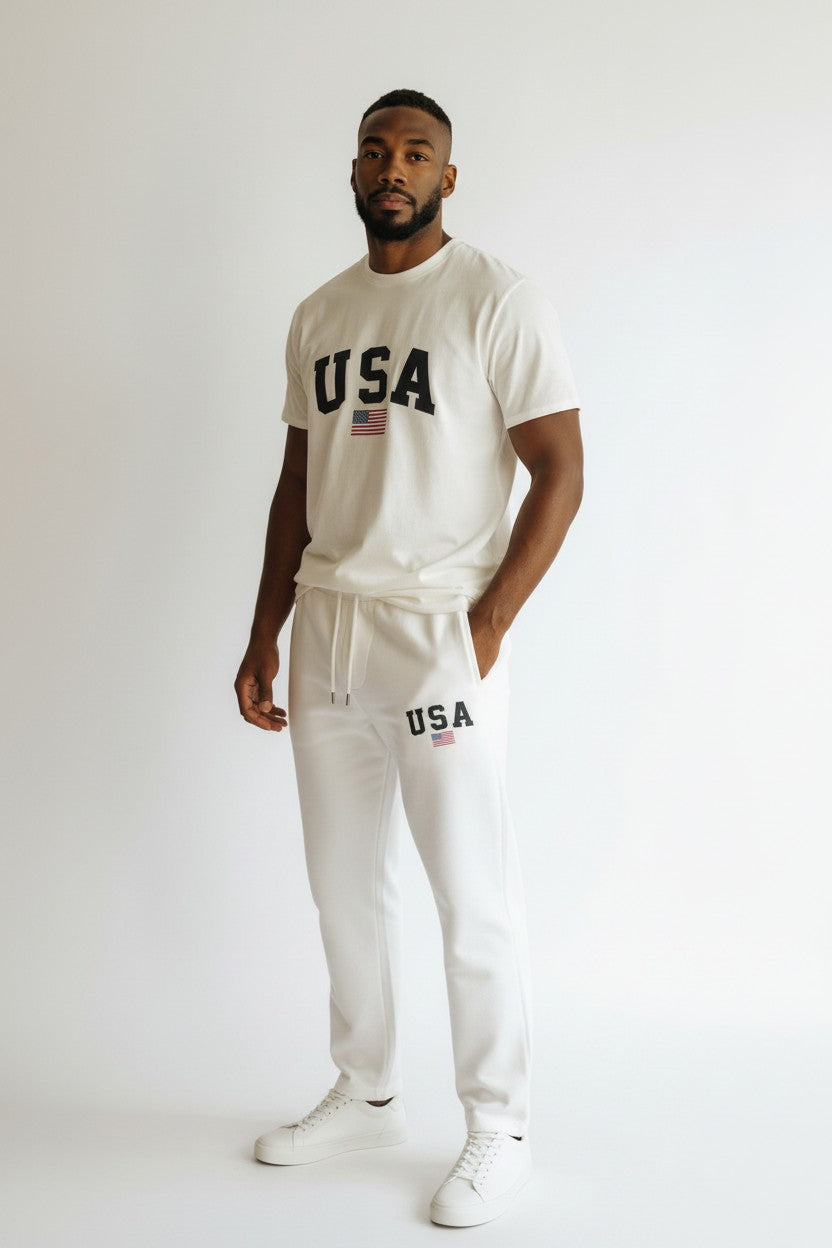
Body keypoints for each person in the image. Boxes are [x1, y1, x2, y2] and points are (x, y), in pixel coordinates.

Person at [234, 87, 583, 1228]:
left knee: (469, 892)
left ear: (447, 176)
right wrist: (263, 630)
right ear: (352, 170)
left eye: (417, 153)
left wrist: (488, 627)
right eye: (376, 150)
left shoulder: (496, 299)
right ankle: (368, 1089)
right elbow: (298, 482)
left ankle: (499, 1125)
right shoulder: (320, 313)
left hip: (439, 633)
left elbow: (562, 470)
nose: (394, 167)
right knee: (342, 886)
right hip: (328, 625)